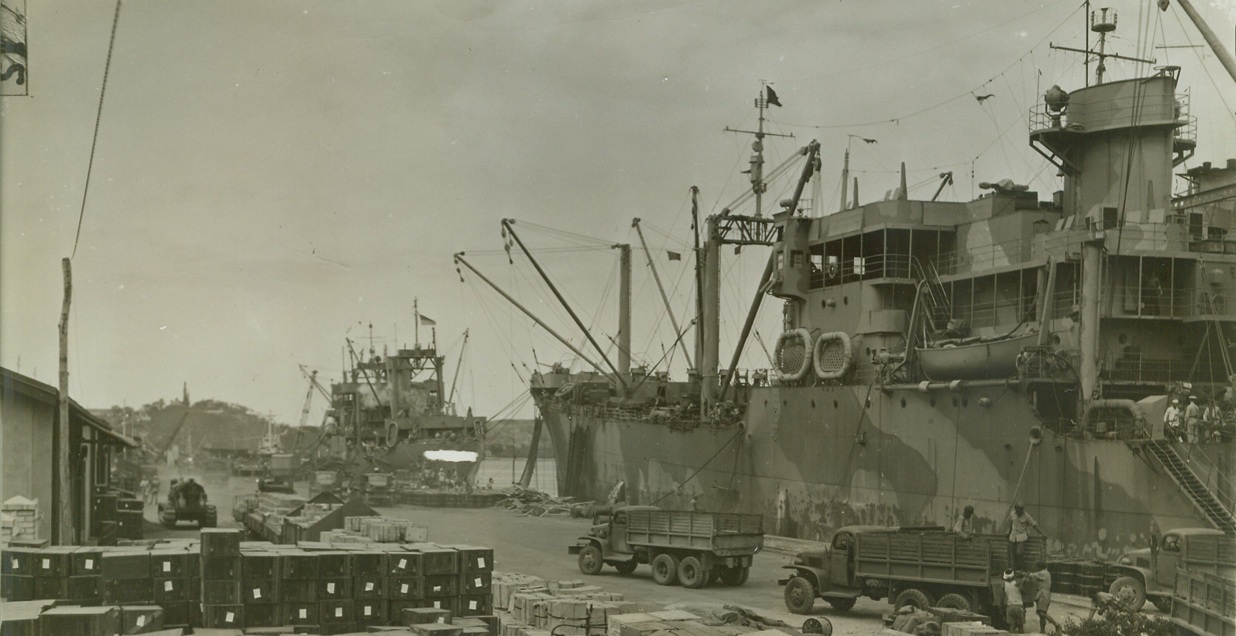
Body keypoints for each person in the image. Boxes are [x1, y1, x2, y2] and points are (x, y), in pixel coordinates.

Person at [1005, 503, 1039, 571]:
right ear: (1016, 509)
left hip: (1021, 536)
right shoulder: (1012, 514)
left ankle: (1022, 568)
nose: (1020, 511)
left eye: (1022, 510)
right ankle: (1014, 570)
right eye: (1019, 510)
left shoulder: (1027, 516)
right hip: (1013, 536)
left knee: (1019, 553)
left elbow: (1034, 525)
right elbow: (1011, 524)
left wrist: (1042, 533)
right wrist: (1009, 533)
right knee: (1013, 555)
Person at [1029, 562, 1061, 634]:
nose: (1036, 569)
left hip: (1043, 595)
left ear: (1039, 567)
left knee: (1042, 613)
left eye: (1036, 567)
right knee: (1042, 615)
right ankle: (1042, 630)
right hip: (1043, 594)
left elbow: (1031, 575)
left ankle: (1056, 624)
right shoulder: (1046, 573)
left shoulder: (1043, 573)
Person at [1002, 569, 1026, 634]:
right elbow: (1023, 591)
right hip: (1019, 607)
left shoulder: (1004, 585)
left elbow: (1003, 598)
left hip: (1010, 607)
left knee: (1012, 626)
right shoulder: (1017, 583)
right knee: (1020, 626)